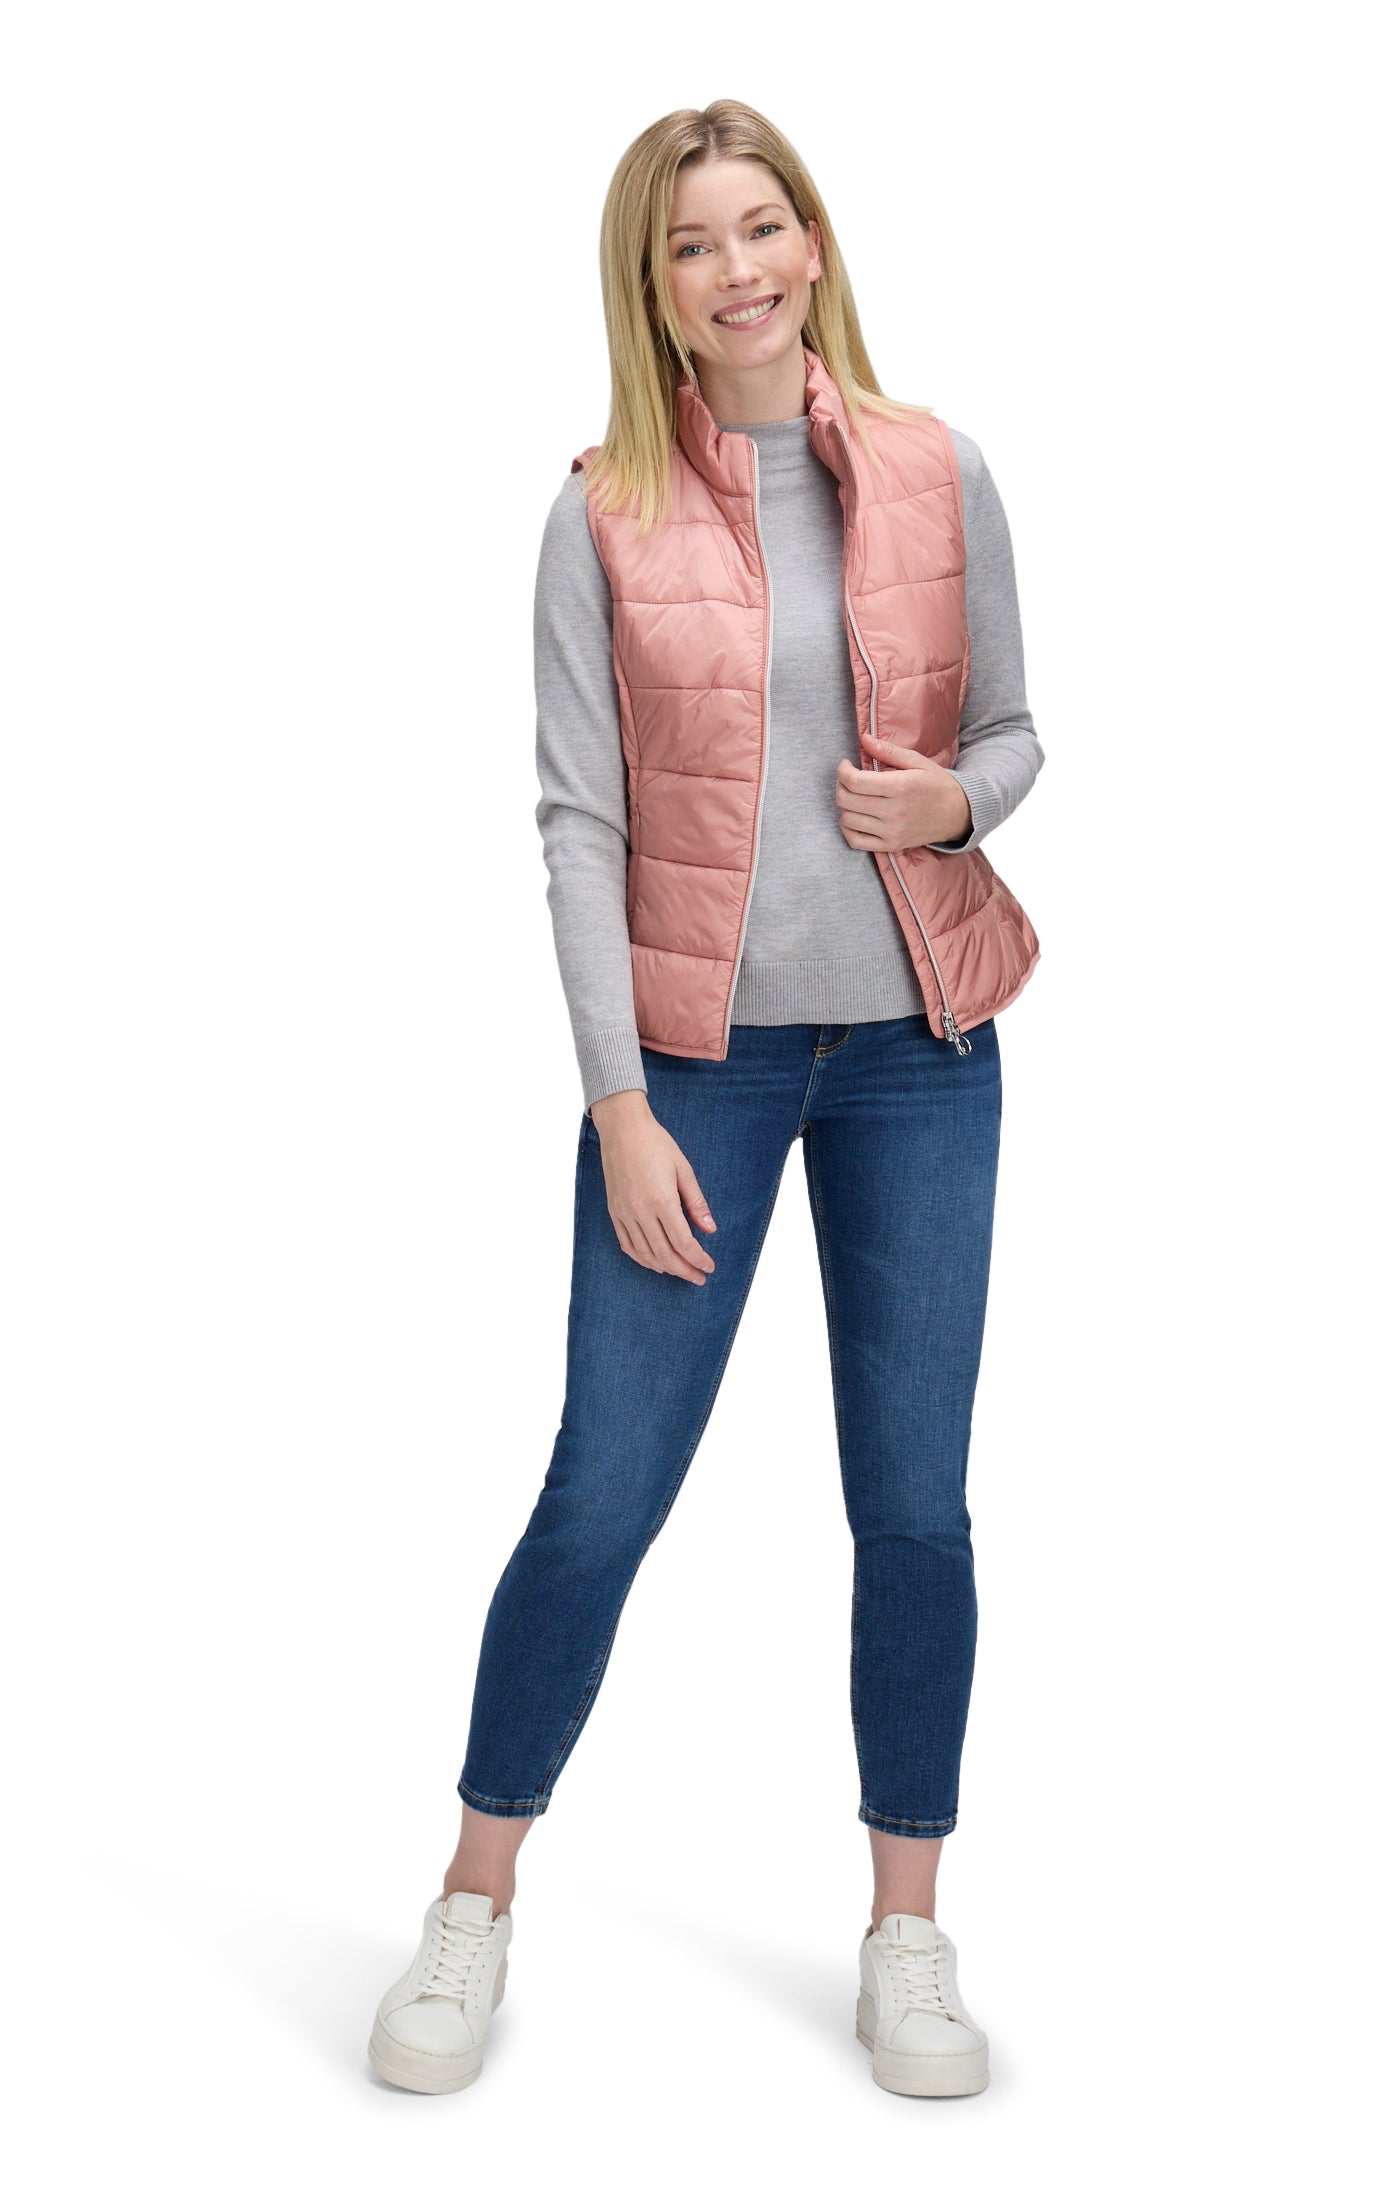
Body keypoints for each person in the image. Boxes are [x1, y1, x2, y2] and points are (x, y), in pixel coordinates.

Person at [368, 98, 1045, 2101]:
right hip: (697, 1074)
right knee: (602, 1489)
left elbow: (1013, 733)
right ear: (650, 290)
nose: (735, 268)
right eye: (690, 244)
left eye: (762, 227)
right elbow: (577, 825)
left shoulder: (936, 467)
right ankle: (473, 1895)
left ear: (812, 244)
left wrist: (952, 803)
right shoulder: (601, 510)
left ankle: (905, 1932)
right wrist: (618, 1104)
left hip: (921, 1058)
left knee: (913, 1504)